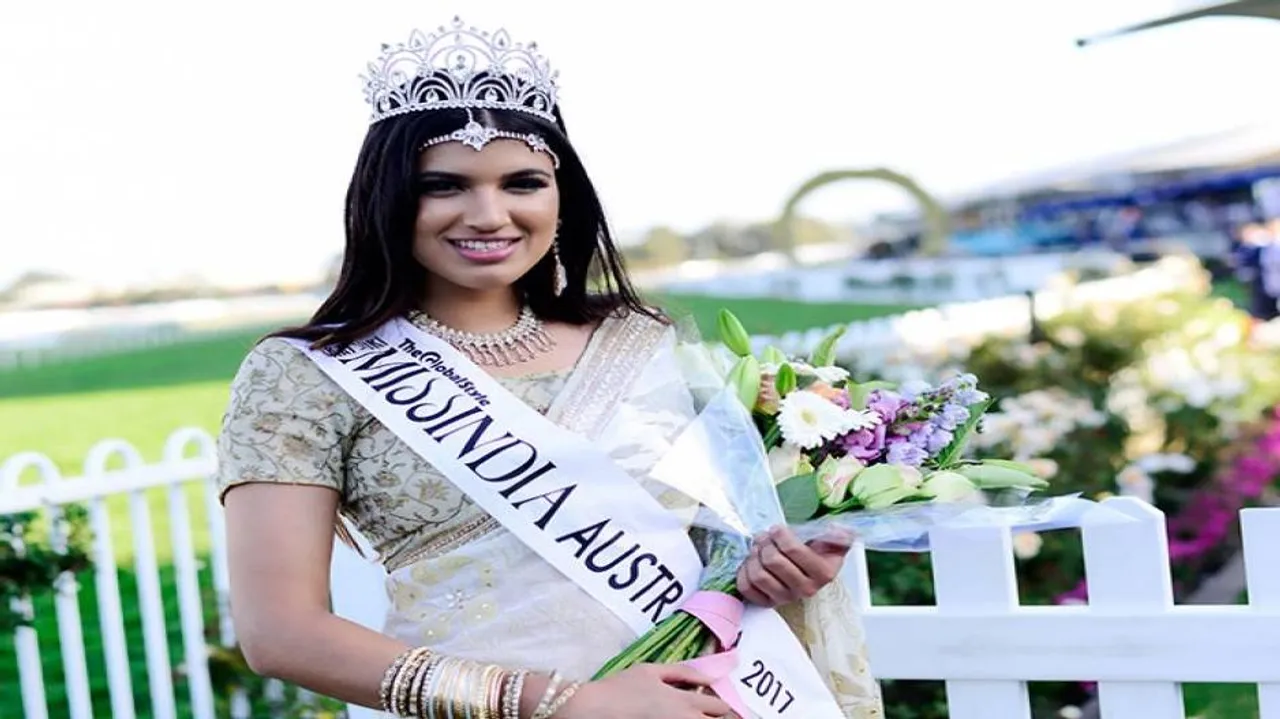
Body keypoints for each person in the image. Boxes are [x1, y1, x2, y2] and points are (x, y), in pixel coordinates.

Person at [216, 17, 883, 718]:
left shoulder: (638, 339)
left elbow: (715, 556)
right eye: (444, 186)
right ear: (386, 198)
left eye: (522, 182)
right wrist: (570, 704)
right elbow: (281, 634)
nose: (488, 213)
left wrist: (775, 568)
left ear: (560, 196)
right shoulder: (307, 374)